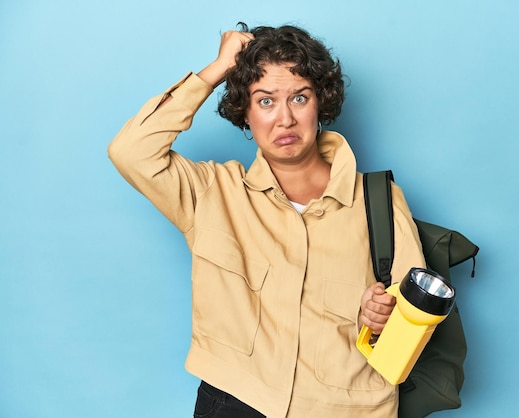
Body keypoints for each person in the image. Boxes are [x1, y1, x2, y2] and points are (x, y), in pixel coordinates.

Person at [108, 23, 426, 418]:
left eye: (299, 97)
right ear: (244, 111)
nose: (285, 119)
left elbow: (416, 320)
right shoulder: (212, 193)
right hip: (237, 400)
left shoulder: (377, 200)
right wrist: (216, 69)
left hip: (350, 408)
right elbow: (131, 152)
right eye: (265, 101)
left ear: (320, 103)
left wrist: (378, 320)